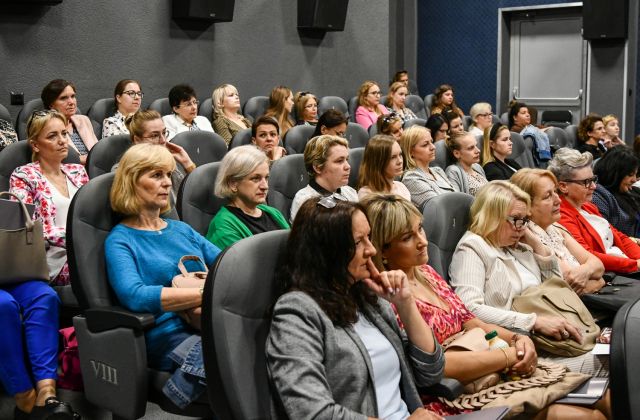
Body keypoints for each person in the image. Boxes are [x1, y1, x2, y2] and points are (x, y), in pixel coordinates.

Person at [362, 194, 610, 419]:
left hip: (493, 370)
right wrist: (509, 355)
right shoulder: (390, 296)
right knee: (584, 417)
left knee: (607, 399)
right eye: (407, 238)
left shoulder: (426, 272)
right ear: (382, 250)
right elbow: (438, 367)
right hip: (456, 394)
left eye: (420, 230)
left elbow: (473, 321)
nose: (422, 242)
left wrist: (517, 340)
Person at [266, 197, 445, 420]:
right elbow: (310, 413)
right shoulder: (297, 312)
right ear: (329, 252)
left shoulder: (368, 300)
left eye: (369, 237)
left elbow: (431, 373)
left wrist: (405, 304)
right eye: (358, 242)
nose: (371, 250)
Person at [450, 181, 609, 377]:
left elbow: (558, 289)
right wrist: (533, 322)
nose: (521, 227)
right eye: (516, 219)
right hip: (521, 348)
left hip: (557, 339)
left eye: (525, 220)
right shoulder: (473, 248)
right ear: (492, 216)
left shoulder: (520, 245)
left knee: (625, 348)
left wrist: (538, 246)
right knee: (615, 363)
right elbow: (469, 309)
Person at [106, 144, 221, 409]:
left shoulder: (181, 229)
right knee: (239, 366)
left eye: (168, 175)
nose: (167, 183)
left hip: (210, 323)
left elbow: (227, 262)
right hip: (167, 332)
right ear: (132, 181)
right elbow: (135, 295)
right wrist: (206, 293)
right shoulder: (121, 240)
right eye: (156, 175)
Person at [10, 110, 89, 286]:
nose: (62, 140)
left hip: (86, 250)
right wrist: (78, 237)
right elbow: (27, 230)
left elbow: (92, 216)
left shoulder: (78, 171)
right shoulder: (24, 176)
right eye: (52, 136)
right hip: (53, 259)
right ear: (36, 145)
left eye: (64, 133)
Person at [511, 168, 605, 295]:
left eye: (555, 192)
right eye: (548, 196)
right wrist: (594, 278)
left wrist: (588, 273)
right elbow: (570, 283)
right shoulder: (525, 237)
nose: (558, 200)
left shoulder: (555, 228)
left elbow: (599, 266)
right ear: (527, 205)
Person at [549, 148, 640, 274]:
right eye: (586, 182)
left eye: (593, 180)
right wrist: (634, 264)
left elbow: (619, 236)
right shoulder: (562, 216)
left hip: (624, 266)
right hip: (611, 274)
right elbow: (588, 255)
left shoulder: (588, 206)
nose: (594, 186)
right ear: (563, 186)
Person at [206, 145, 289, 250]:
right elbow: (244, 265)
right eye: (255, 178)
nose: (265, 186)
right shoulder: (223, 226)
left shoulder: (273, 213)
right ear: (233, 184)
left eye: (266, 178)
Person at [124, 110, 196, 209]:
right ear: (137, 140)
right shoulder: (126, 169)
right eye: (155, 135)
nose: (163, 140)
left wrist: (188, 164)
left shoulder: (170, 164)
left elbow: (195, 201)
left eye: (164, 133)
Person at [290, 134, 358, 222]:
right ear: (318, 167)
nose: (348, 166)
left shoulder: (350, 192)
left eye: (347, 160)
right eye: (339, 161)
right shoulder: (305, 201)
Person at [42, 79, 98, 164]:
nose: (71, 102)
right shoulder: (47, 127)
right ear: (51, 105)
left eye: (73, 96)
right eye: (63, 98)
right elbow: (57, 159)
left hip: (96, 169)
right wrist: (90, 160)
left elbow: (98, 150)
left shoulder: (84, 120)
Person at [400, 125, 457, 210]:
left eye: (431, 142)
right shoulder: (411, 178)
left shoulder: (438, 170)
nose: (433, 147)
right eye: (425, 145)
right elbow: (438, 207)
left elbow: (457, 195)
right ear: (411, 151)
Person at [592, 146, 640, 238]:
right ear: (614, 173)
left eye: (635, 174)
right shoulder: (598, 197)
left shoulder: (630, 191)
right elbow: (607, 236)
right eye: (630, 174)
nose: (634, 180)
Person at [358, 135, 410, 201]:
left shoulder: (401, 187)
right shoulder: (366, 194)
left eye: (400, 154)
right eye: (393, 157)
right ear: (378, 162)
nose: (400, 161)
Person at [508, 101, 552, 166]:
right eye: (523, 113)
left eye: (528, 112)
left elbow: (550, 128)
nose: (528, 115)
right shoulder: (515, 130)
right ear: (515, 117)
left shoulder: (531, 127)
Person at [444, 131, 487, 196]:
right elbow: (457, 200)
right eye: (471, 148)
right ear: (457, 153)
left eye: (476, 145)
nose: (478, 150)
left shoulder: (477, 167)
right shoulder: (453, 171)